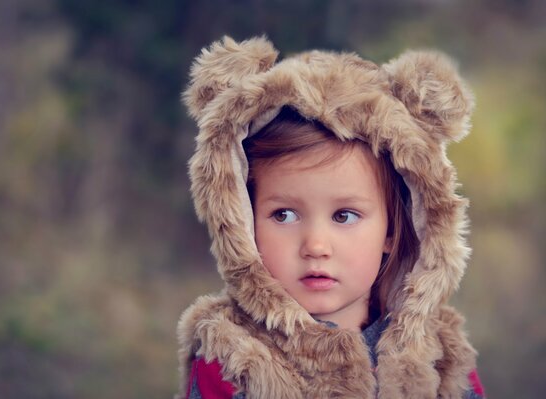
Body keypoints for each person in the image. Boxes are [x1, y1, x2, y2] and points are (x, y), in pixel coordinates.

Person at [176, 36, 485, 399]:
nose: (316, 246)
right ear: (244, 222)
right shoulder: (231, 357)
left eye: (344, 215)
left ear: (391, 228)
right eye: (285, 214)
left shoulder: (438, 358)